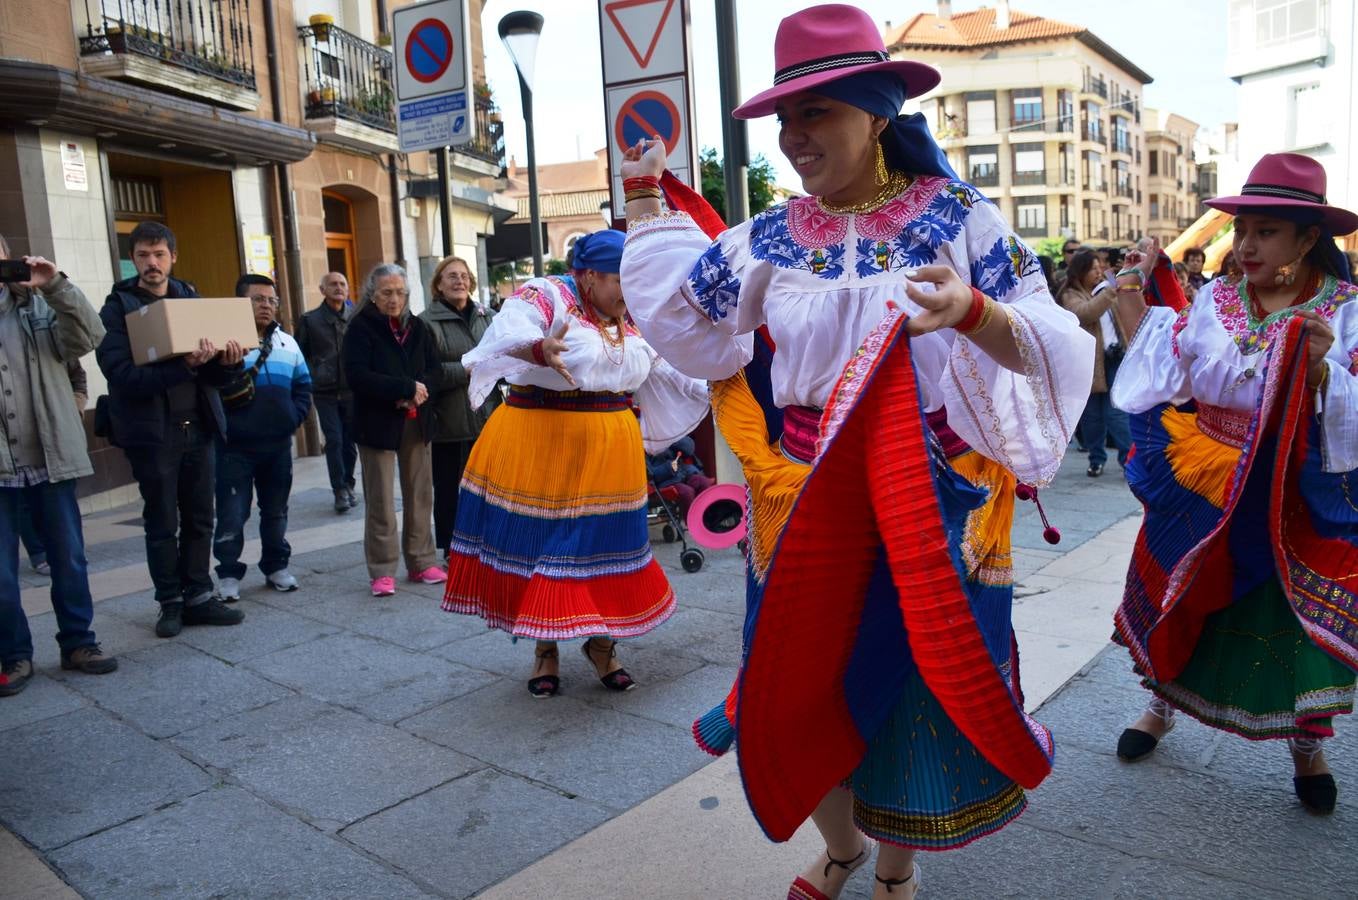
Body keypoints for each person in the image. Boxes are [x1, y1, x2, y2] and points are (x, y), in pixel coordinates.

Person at [618, 6, 1092, 897]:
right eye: (786, 120)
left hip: (925, 490)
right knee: (802, 680)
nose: (796, 138)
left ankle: (894, 875)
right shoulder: (767, 236)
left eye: (818, 114)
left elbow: (1053, 337)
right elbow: (691, 325)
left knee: (914, 691)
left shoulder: (958, 217)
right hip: (802, 500)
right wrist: (647, 202)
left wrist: (976, 315)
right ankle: (841, 849)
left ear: (877, 112)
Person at [1109, 152, 1358, 816]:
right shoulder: (1215, 300)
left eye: (1266, 231)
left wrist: (1323, 377)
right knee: (1186, 592)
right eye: (1241, 229)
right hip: (1205, 474)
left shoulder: (1345, 309)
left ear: (1309, 238)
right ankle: (1160, 705)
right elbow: (1166, 375)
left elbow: (1353, 402)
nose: (1245, 245)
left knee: (1287, 619)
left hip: (1288, 490)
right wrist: (1134, 291)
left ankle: (1307, 746)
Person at [442, 229, 708, 698]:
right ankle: (545, 649)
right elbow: (511, 331)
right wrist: (538, 348)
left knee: (601, 545)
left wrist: (721, 383)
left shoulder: (633, 314)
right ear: (587, 276)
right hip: (541, 438)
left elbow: (668, 366)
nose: (628, 291)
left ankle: (602, 644)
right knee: (545, 547)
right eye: (619, 280)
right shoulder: (547, 295)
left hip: (610, 445)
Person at [96, 221, 246, 638]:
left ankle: (199, 595)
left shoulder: (191, 298)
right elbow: (121, 375)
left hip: (198, 427)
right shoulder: (118, 307)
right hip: (152, 434)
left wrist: (228, 362)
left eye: (159, 254)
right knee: (162, 522)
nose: (152, 263)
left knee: (201, 518)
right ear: (133, 258)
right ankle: (170, 602)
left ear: (173, 257)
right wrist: (184, 365)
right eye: (143, 255)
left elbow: (216, 378)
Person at [0, 242, 118, 695]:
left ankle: (78, 643)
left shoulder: (38, 306)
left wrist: (55, 285)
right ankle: (13, 654)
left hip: (50, 453)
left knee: (68, 557)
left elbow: (90, 335)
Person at [341, 264, 446, 597]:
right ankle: (382, 569)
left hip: (417, 420)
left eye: (400, 292)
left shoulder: (418, 327)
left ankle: (421, 561)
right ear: (372, 293)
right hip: (377, 423)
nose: (394, 298)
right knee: (381, 499)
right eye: (387, 292)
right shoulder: (360, 327)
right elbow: (357, 375)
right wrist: (402, 390)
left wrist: (419, 390)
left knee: (420, 494)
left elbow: (435, 369)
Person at [211, 275, 312, 601]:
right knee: (232, 513)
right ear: (240, 303)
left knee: (276, 510)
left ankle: (276, 566)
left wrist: (292, 419)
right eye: (258, 299)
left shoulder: (288, 342)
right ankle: (228, 573)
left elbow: (303, 385)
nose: (266, 305)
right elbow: (210, 389)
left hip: (278, 445)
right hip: (234, 448)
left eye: (271, 300)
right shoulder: (222, 342)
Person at [419, 256, 497, 558]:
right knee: (450, 488)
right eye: (451, 276)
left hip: (487, 415)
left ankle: (487, 541)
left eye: (464, 276)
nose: (459, 281)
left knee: (489, 486)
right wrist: (465, 369)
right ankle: (453, 548)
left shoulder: (487, 316)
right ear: (439, 284)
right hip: (448, 420)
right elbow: (427, 372)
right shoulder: (426, 322)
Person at [1059, 248, 1131, 476]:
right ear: (1080, 271)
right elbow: (1085, 313)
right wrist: (1110, 291)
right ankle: (1096, 459)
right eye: (1093, 269)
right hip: (1088, 363)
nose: (1098, 273)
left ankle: (1128, 460)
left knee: (1116, 412)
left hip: (1114, 357)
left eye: (1100, 268)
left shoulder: (1101, 290)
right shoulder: (1070, 294)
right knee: (1092, 416)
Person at [297, 272, 358, 514]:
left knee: (350, 442)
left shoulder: (355, 317)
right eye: (333, 284)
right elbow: (300, 353)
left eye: (342, 284)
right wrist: (314, 374)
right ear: (322, 290)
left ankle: (350, 483)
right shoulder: (310, 320)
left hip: (352, 390)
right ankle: (339, 490)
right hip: (325, 391)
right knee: (334, 440)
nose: (338, 288)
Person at [645, 435, 714, 518]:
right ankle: (692, 521)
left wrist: (673, 438)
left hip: (683, 472)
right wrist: (669, 467)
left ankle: (706, 515)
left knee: (703, 482)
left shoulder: (667, 436)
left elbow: (689, 450)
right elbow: (651, 475)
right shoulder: (645, 447)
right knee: (687, 492)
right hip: (666, 480)